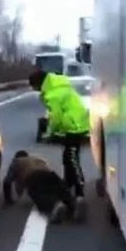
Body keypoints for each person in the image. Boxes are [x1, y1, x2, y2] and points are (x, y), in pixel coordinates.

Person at [28, 69, 88, 209]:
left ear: (38, 84)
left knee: (72, 159)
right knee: (67, 157)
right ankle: (68, 185)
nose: (34, 90)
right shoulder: (57, 86)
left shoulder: (53, 94)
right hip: (72, 124)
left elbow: (56, 117)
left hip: (75, 126)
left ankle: (80, 191)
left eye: (33, 87)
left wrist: (49, 133)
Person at [2, 150, 83, 222]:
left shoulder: (16, 161)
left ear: (16, 157)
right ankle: (74, 203)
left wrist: (8, 199)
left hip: (33, 176)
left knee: (39, 195)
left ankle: (54, 206)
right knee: (60, 190)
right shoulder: (37, 159)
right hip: (51, 174)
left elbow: (7, 181)